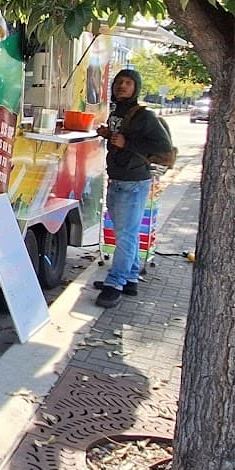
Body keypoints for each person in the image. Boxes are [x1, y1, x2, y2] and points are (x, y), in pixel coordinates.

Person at [94, 68, 174, 308]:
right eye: (119, 82)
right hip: (118, 179)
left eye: (128, 83)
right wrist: (109, 134)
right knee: (126, 233)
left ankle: (115, 283)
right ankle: (130, 277)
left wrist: (127, 142)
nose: (122, 86)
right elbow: (120, 138)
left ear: (136, 87)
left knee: (126, 235)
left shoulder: (145, 115)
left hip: (133, 182)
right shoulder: (118, 111)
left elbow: (163, 145)